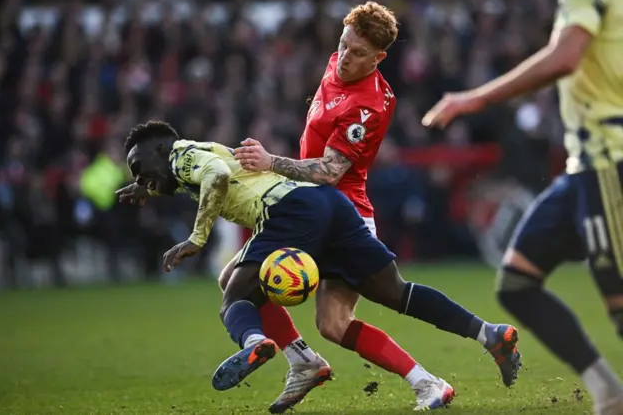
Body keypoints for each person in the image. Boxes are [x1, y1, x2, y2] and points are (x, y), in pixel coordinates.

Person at [226, 1, 519, 413]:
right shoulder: (335, 64)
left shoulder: (370, 105)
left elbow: (331, 170)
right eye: (344, 45)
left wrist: (272, 163)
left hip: (339, 213)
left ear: (379, 58)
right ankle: (449, 363)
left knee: (384, 295)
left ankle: (449, 360)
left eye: (358, 53)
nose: (345, 57)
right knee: (332, 322)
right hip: (310, 206)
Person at [117, 120, 521, 412]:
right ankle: (486, 336)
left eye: (140, 167)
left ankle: (263, 346)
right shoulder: (189, 156)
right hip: (325, 205)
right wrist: (147, 186)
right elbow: (202, 172)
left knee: (233, 297)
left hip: (286, 213)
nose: (140, 176)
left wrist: (196, 238)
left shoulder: (182, 156)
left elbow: (218, 174)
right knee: (392, 294)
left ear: (160, 151)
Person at [422, 0, 623, 414]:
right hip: (583, 167)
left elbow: (565, 55)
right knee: (516, 282)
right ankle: (609, 393)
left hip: (609, 162)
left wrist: (477, 97)